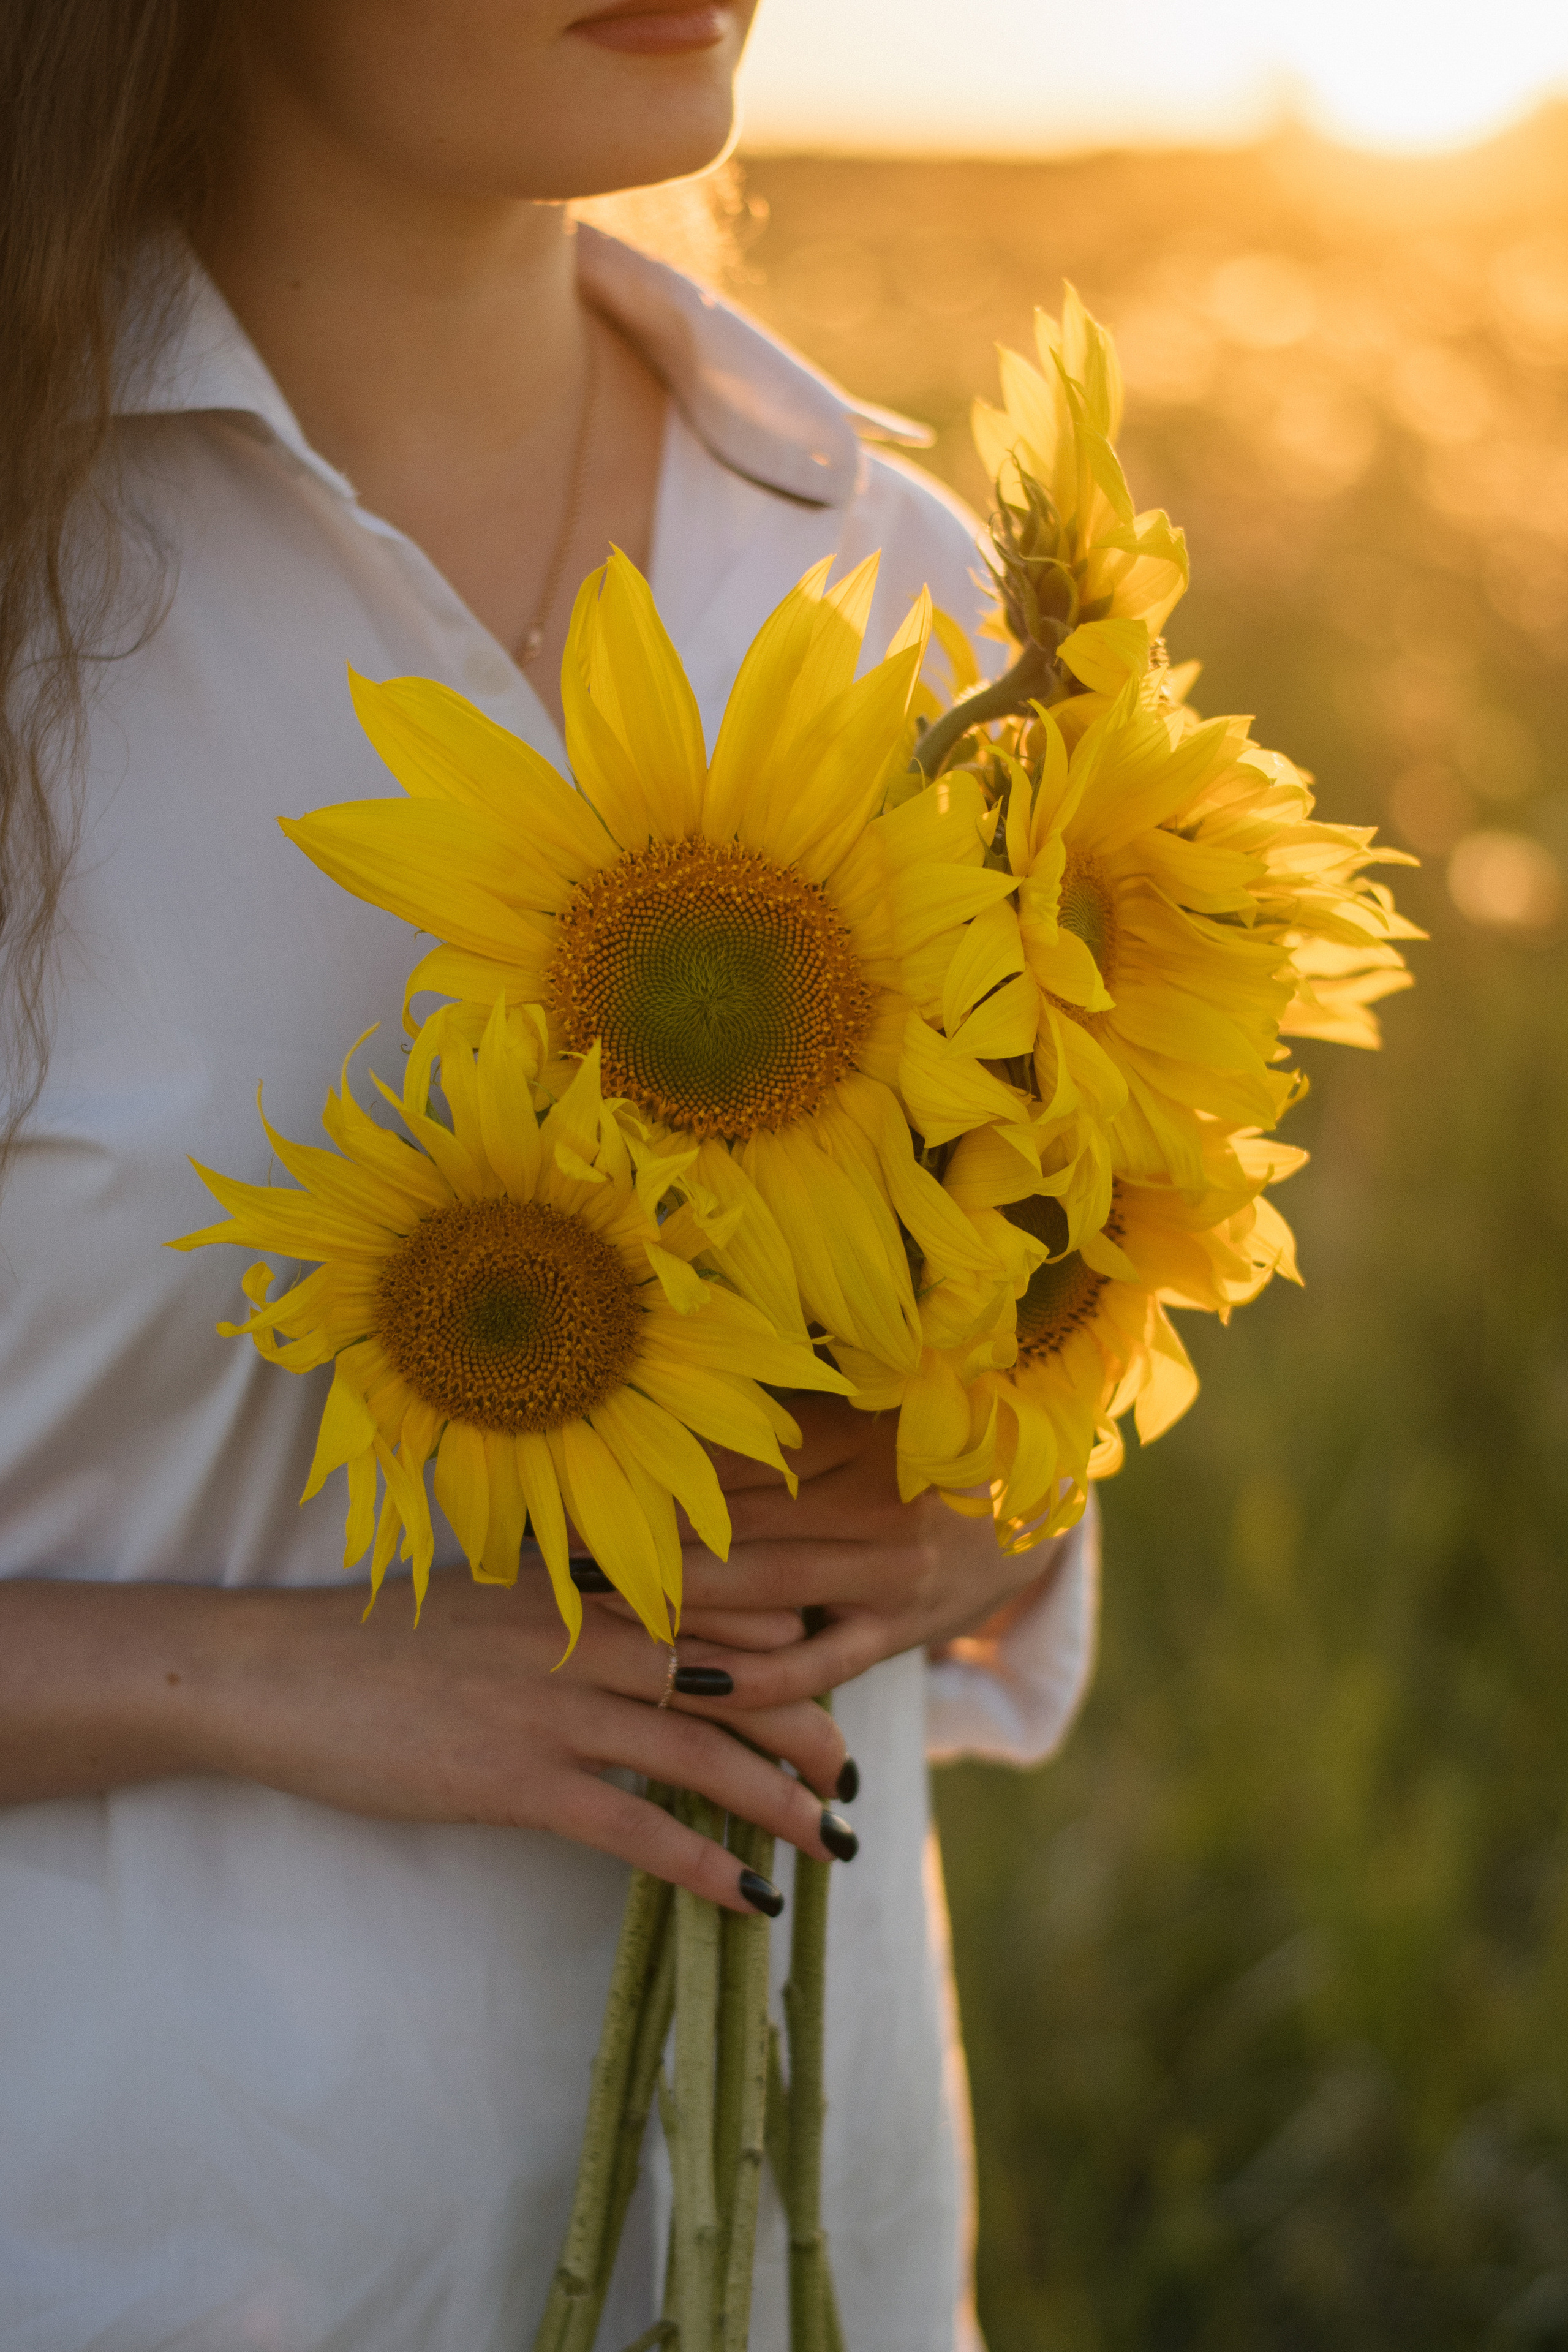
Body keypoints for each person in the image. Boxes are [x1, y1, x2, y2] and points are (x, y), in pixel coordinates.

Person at [0, 4, 1098, 2345]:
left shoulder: (898, 582)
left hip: (820, 2236)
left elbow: (1026, 1341)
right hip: (143, 2242)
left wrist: (993, 1492)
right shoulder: (36, 583)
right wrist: (270, 1681)